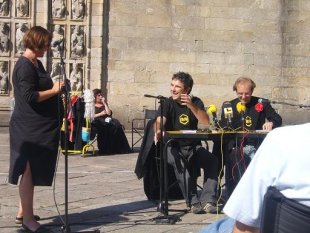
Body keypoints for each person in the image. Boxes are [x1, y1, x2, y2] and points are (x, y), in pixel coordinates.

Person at [199, 123, 310, 233]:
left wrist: (271, 123)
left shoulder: (284, 139)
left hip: (253, 146)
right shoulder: (229, 105)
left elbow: (245, 229)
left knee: (221, 226)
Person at [8, 26, 64, 232]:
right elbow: (30, 97)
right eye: (46, 44)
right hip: (27, 128)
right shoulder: (24, 66)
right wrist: (54, 90)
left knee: (30, 170)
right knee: (27, 169)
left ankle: (23, 211)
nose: (48, 48)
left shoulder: (36, 63)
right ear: (37, 43)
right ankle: (28, 221)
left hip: (37, 126)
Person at [154, 71, 219, 214]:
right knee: (180, 164)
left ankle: (208, 200)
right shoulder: (167, 102)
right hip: (172, 147)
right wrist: (158, 130)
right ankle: (193, 202)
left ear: (187, 89)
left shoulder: (196, 102)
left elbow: (205, 121)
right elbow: (160, 121)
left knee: (212, 160)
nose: (173, 89)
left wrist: (191, 106)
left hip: (193, 146)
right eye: (172, 85)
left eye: (177, 86)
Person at [214, 77, 282, 198]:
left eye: (247, 93)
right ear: (235, 91)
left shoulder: (262, 103)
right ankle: (237, 194)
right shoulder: (229, 106)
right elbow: (222, 126)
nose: (244, 97)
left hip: (256, 145)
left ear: (252, 91)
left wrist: (271, 123)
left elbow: (277, 119)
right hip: (236, 146)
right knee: (229, 153)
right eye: (240, 94)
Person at [92, 88, 131, 155]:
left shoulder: (104, 104)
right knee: (106, 127)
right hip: (98, 121)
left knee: (117, 125)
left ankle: (118, 148)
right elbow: (91, 116)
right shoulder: (91, 106)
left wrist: (104, 103)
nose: (101, 96)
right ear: (95, 97)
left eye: (101, 95)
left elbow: (109, 113)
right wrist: (100, 114)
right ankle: (106, 149)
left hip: (107, 119)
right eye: (99, 95)